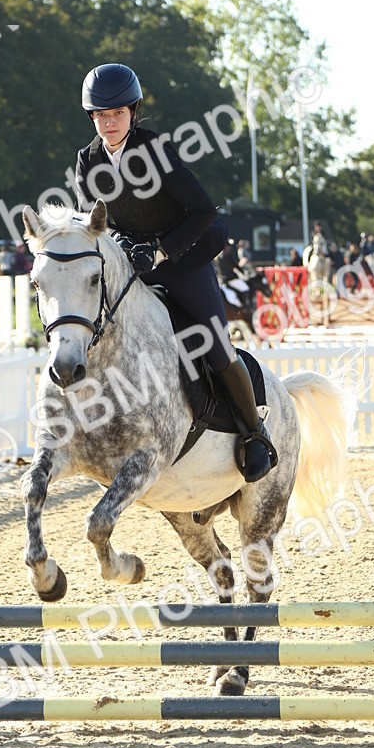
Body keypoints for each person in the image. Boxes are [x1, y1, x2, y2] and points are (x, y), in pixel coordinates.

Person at [75, 63, 276, 482]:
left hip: (184, 258)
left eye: (117, 114)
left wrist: (161, 250)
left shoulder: (155, 151)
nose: (109, 123)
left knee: (215, 344)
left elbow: (203, 211)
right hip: (132, 265)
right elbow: (93, 223)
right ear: (93, 117)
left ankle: (255, 434)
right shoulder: (87, 161)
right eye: (100, 116)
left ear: (133, 111)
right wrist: (120, 244)